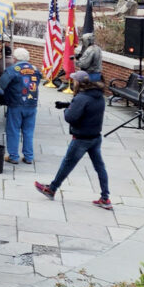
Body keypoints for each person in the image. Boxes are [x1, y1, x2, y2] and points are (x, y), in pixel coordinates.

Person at [35, 70, 112, 207]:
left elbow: (71, 117)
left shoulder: (81, 98)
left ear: (79, 83)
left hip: (81, 138)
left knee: (67, 164)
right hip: (95, 137)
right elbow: (87, 109)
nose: (73, 82)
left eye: (74, 80)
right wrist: (67, 105)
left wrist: (66, 110)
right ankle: (105, 197)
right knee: (100, 167)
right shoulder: (98, 96)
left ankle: (51, 189)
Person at [0, 47, 41, 165]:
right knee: (28, 131)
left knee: (13, 130)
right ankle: (28, 156)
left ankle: (13, 156)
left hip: (16, 104)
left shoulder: (12, 70)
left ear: (15, 58)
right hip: (32, 104)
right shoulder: (35, 69)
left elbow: (2, 84)